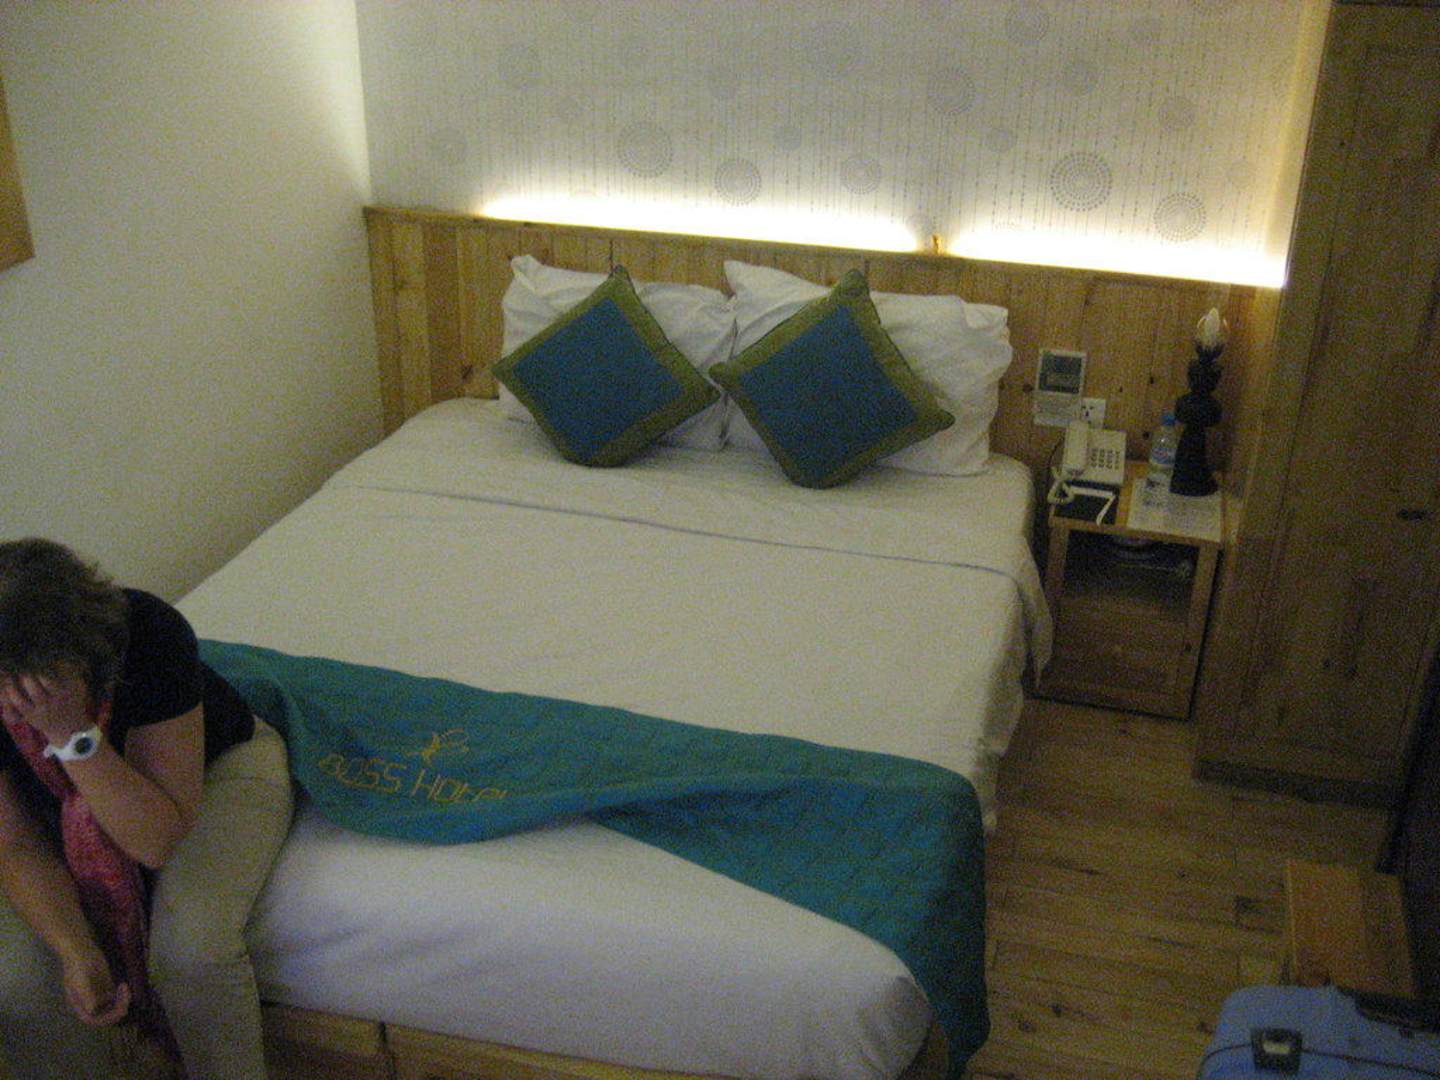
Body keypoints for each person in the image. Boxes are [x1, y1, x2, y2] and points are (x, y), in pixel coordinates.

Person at [0, 538, 293, 1080]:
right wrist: (76, 949)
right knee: (17, 979)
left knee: (190, 951)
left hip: (214, 771)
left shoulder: (148, 633)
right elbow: (15, 843)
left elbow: (156, 839)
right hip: (56, 810)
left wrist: (70, 735)